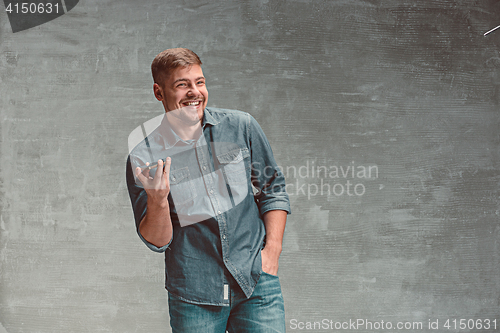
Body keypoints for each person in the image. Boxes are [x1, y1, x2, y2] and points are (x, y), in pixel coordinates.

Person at [126, 48, 290, 333]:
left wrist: (271, 253)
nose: (194, 92)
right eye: (182, 84)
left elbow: (272, 188)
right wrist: (158, 201)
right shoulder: (144, 155)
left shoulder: (241, 127)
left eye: (199, 82)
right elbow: (157, 241)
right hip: (194, 294)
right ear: (159, 92)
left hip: (255, 283)